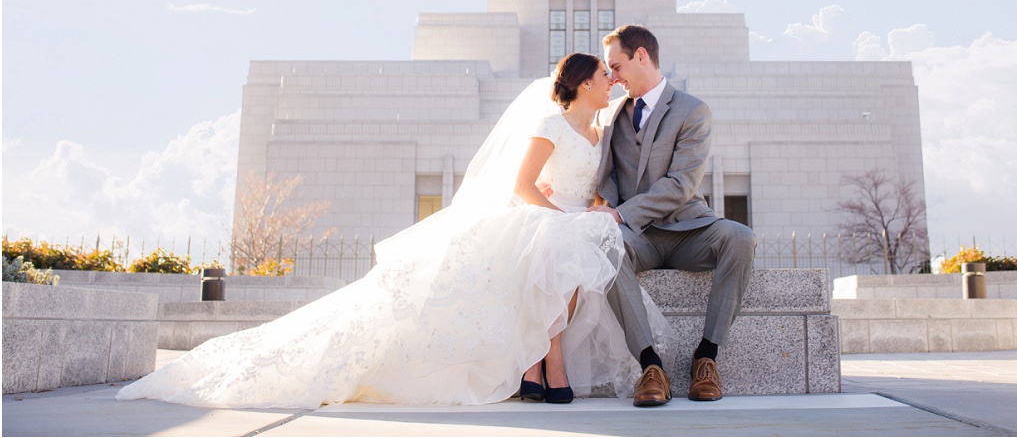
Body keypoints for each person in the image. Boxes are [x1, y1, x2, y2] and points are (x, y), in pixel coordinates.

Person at [117, 54, 647, 409]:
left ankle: (537, 364)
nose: (611, 81)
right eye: (605, 74)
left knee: (575, 249)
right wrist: (564, 216)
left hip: (573, 219)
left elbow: (595, 176)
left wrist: (591, 207)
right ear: (581, 83)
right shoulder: (551, 124)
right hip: (541, 215)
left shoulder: (599, 127)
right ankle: (547, 362)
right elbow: (525, 184)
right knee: (560, 247)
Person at [588, 24, 757, 406]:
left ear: (642, 56)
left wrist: (621, 214)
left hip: (688, 230)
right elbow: (605, 174)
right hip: (639, 238)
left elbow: (681, 183)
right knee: (606, 249)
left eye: (616, 66)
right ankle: (651, 366)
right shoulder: (611, 115)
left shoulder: (692, 110)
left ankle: (707, 357)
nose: (612, 77)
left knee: (741, 238)